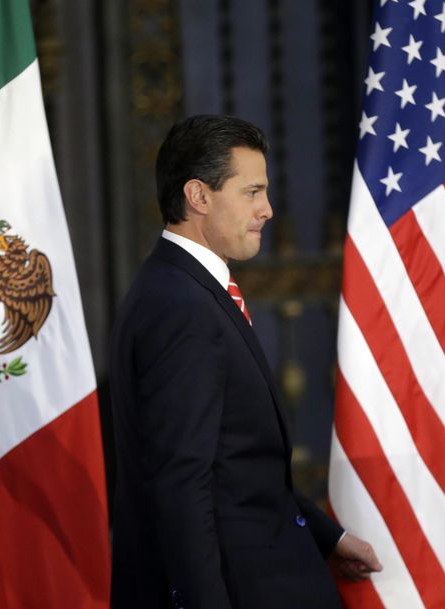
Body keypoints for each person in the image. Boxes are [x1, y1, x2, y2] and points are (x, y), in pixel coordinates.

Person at [109, 114, 381, 609]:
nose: (268, 210)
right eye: (252, 192)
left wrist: (325, 536)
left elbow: (232, 468)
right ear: (199, 196)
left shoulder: (185, 290)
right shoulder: (181, 308)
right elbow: (181, 483)